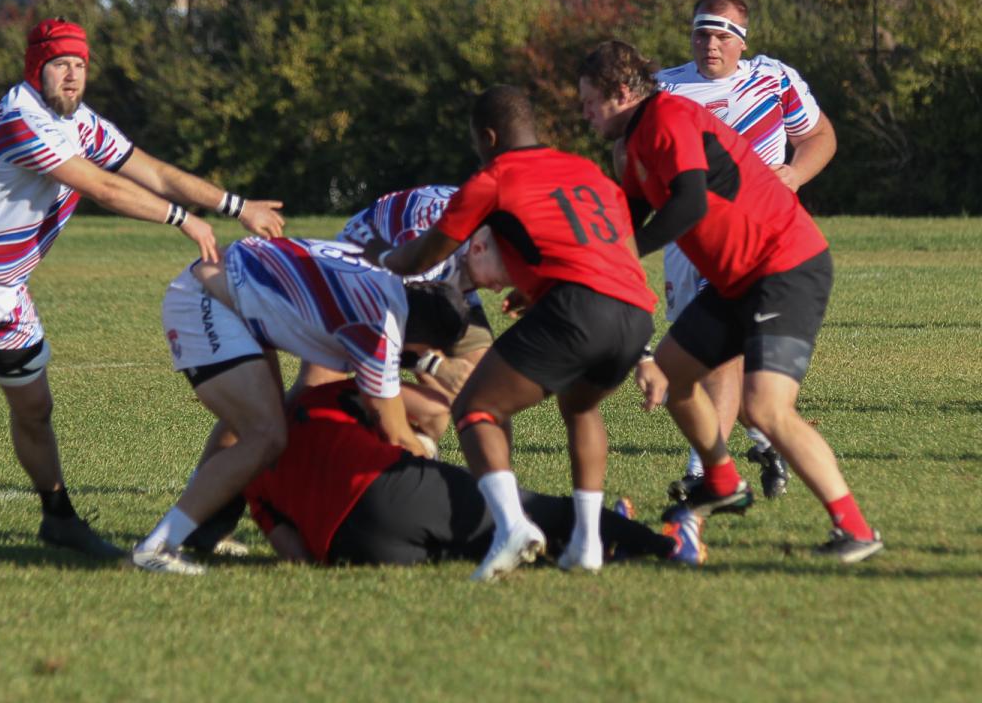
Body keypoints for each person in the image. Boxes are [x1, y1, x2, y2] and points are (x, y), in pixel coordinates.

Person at [0, 17, 286, 571]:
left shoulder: (82, 123)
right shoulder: (20, 119)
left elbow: (151, 171)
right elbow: (102, 186)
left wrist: (236, 206)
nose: (72, 75)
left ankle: (59, 519)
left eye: (80, 65)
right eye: (60, 65)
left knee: (35, 409)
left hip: (9, 288)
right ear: (37, 68)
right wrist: (184, 220)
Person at [576, 40, 882, 563]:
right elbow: (625, 218)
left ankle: (855, 529)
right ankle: (721, 482)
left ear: (622, 92)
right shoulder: (634, 143)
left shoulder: (667, 117)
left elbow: (689, 204)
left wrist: (626, 253)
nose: (583, 114)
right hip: (738, 281)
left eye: (589, 102)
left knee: (766, 407)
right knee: (673, 374)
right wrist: (575, 264)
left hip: (784, 266)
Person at [361, 85, 659, 580]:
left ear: (488, 137)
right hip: (635, 312)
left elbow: (423, 257)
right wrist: (538, 285)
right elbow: (617, 248)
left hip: (578, 309)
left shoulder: (493, 177)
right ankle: (586, 543)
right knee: (580, 407)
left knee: (476, 408)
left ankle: (511, 527)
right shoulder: (586, 170)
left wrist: (382, 255)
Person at [129, 236, 471, 574]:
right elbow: (396, 434)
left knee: (264, 426)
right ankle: (157, 547)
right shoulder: (377, 329)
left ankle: (201, 527)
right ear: (423, 343)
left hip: (228, 284)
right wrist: (428, 469)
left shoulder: (389, 284)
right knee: (264, 435)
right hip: (207, 298)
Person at [656, 0, 838, 500]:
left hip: (753, 236)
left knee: (717, 355)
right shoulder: (664, 88)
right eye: (701, 34)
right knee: (694, 357)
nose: (710, 45)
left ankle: (704, 471)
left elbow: (819, 135)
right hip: (687, 238)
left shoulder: (772, 79)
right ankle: (764, 440)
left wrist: (795, 175)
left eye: (722, 36)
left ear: (742, 41)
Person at [241, 380, 707, 568]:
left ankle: (610, 548)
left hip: (354, 548)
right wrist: (421, 446)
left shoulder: (250, 474)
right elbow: (435, 411)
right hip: (390, 487)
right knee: (538, 513)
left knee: (500, 552)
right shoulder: (319, 399)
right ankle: (666, 545)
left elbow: (295, 553)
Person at [306, 184, 495, 399]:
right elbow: (396, 328)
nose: (499, 290)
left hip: (434, 273)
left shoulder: (496, 234)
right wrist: (438, 366)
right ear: (479, 249)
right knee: (318, 387)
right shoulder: (423, 248)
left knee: (483, 385)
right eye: (501, 277)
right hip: (359, 271)